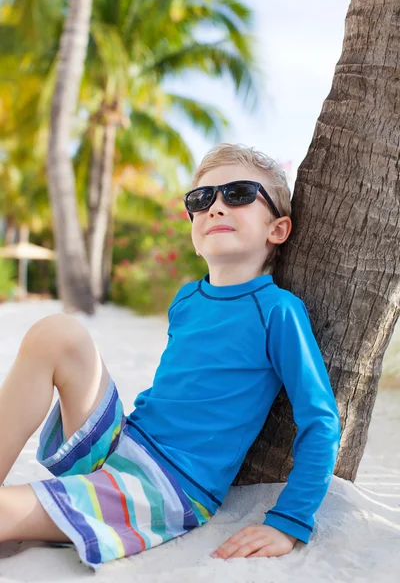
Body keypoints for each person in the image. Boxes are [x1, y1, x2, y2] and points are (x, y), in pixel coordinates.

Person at [0, 143, 341, 569]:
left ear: (278, 229)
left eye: (238, 194)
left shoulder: (277, 311)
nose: (215, 207)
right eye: (201, 200)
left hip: (167, 485)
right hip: (124, 443)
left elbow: (322, 419)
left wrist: (289, 521)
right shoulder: (186, 300)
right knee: (56, 332)